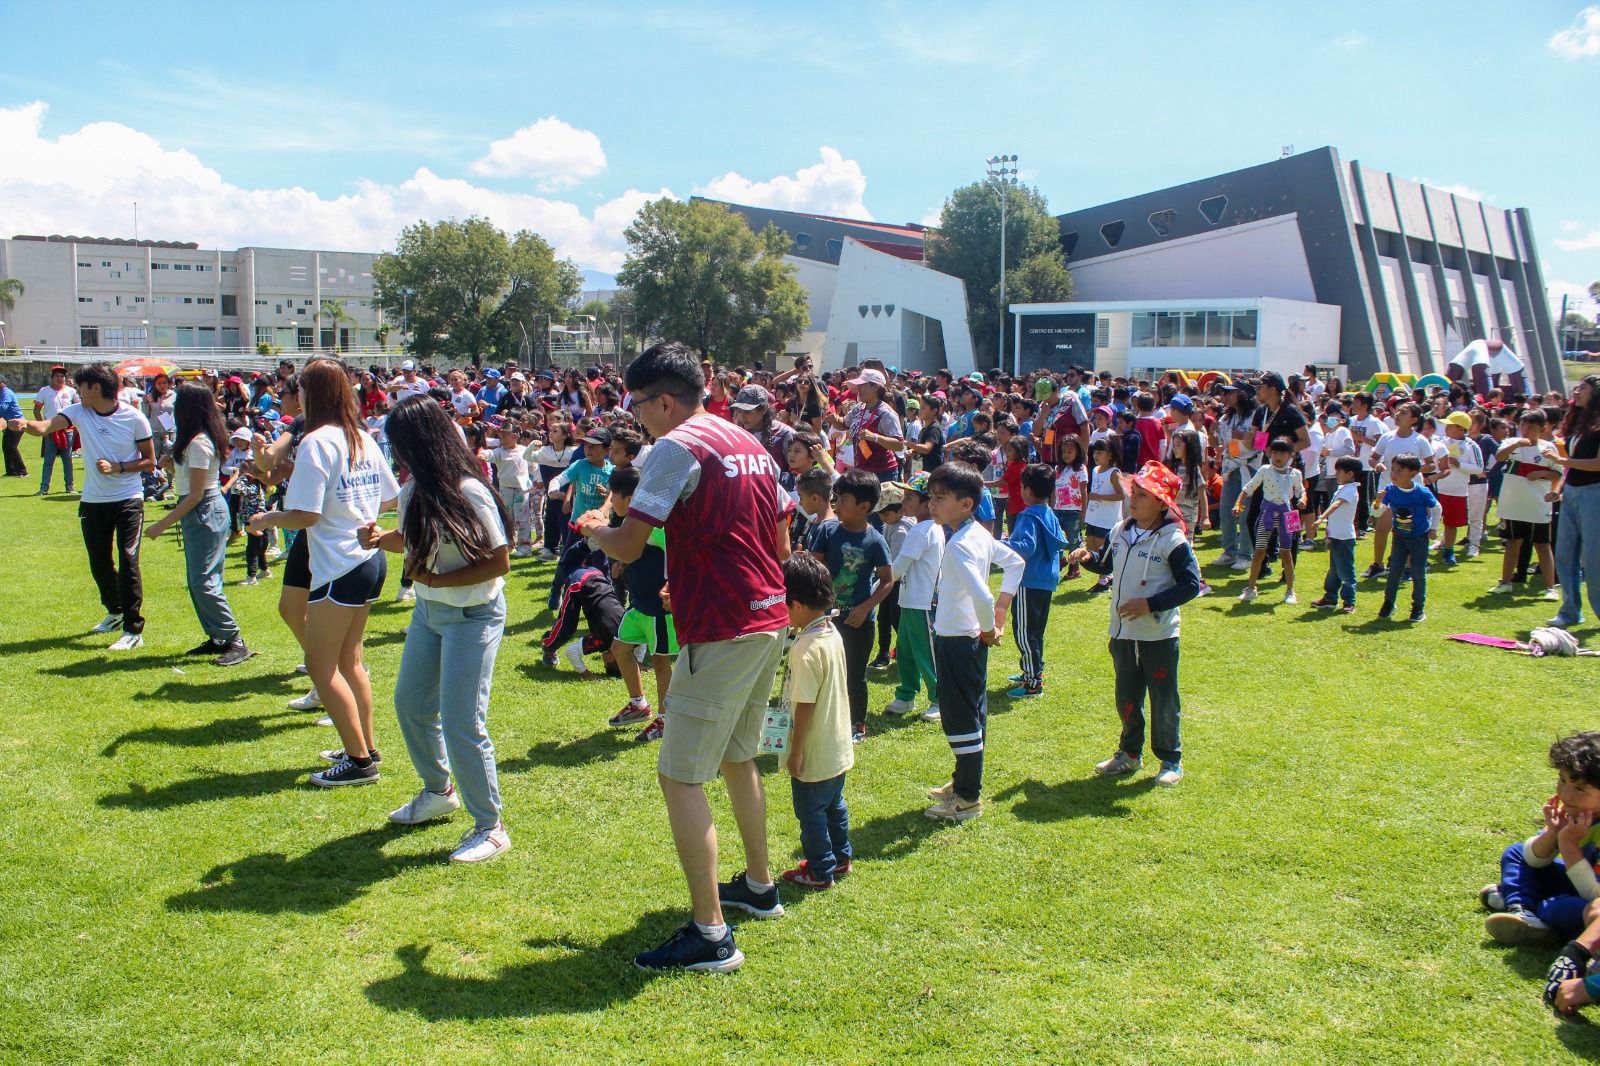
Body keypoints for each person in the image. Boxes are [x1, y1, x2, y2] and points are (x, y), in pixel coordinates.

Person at [575, 341, 793, 975]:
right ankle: (758, 886)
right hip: (767, 614)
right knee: (739, 755)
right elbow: (779, 537)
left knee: (680, 775)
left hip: (722, 624)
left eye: (636, 405)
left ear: (664, 400)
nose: (634, 418)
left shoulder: (676, 446)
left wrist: (593, 528)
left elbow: (632, 541)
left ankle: (711, 935)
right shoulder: (748, 441)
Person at [361, 394, 512, 863]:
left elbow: (498, 560)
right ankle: (438, 789)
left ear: (420, 444)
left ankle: (490, 827)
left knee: (464, 720)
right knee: (410, 704)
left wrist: (436, 579)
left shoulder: (468, 491)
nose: (395, 454)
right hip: (429, 613)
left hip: (473, 615)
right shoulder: (415, 488)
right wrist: (381, 538)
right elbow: (415, 539)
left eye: (399, 444)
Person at [249, 360, 398, 786]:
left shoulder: (316, 441)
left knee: (322, 666)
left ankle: (359, 763)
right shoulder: (362, 438)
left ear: (311, 395)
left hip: (339, 566)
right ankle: (364, 746)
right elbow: (388, 498)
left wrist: (267, 520)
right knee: (351, 662)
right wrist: (356, 511)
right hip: (370, 560)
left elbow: (305, 515)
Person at [1070, 462, 1202, 788]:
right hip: (1123, 632)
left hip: (1157, 634)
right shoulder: (1121, 530)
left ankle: (1171, 758)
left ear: (1161, 503)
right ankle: (1129, 753)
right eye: (1135, 493)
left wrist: (1150, 604)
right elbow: (1107, 565)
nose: (1135, 499)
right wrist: (1087, 558)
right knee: (1126, 693)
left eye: (1143, 495)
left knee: (1163, 696)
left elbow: (1191, 585)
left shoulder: (1172, 539)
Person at [11, 363, 153, 648]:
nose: (77, 391)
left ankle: (133, 630)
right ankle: (114, 611)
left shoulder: (134, 417)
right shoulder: (78, 411)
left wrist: (118, 467)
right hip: (93, 500)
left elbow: (150, 460)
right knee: (100, 563)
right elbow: (45, 427)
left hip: (128, 499)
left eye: (80, 386)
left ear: (96, 387)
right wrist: (25, 425)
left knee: (127, 561)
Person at [922, 462, 1023, 822]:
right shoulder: (977, 533)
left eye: (939, 498)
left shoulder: (961, 544)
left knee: (959, 716)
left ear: (966, 505)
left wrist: (990, 624)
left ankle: (967, 798)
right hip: (965, 640)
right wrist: (1000, 610)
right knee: (973, 711)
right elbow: (1016, 563)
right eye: (931, 497)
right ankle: (963, 781)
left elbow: (981, 595)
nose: (931, 504)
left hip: (957, 641)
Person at [142, 383, 253, 666]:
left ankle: (233, 639)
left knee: (204, 580)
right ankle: (217, 637)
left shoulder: (200, 443)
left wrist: (161, 525)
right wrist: (171, 465)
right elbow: (190, 484)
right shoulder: (195, 441)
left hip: (205, 511)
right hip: (201, 510)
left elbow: (195, 495)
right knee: (198, 581)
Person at [776, 552, 854, 889]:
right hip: (836, 747)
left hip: (813, 751)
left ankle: (820, 869)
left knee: (811, 814)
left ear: (795, 603)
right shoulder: (831, 633)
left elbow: (804, 706)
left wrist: (796, 751)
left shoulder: (804, 649)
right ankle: (841, 857)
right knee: (834, 805)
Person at [1483, 732, 1600, 947]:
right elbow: (1533, 859)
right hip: (1575, 883)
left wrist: (1568, 845)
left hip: (1594, 904)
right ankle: (1523, 912)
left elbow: (1595, 896)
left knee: (1555, 908)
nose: (1565, 794)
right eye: (1562, 780)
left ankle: (1529, 908)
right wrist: (1553, 834)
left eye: (1580, 788)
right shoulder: (1573, 810)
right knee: (1516, 852)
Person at [804, 469, 894, 744]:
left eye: (843, 500)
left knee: (854, 676)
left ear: (864, 507)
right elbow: (815, 568)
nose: (836, 505)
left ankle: (857, 726)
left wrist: (864, 608)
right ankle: (825, 722)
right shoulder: (827, 531)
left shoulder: (875, 540)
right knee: (823, 674)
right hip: (825, 619)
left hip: (858, 622)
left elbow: (887, 581)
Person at [602, 464, 678, 733]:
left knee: (660, 662)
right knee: (620, 648)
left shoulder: (656, 526)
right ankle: (638, 704)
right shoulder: (629, 522)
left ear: (631, 498)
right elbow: (634, 551)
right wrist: (622, 564)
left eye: (614, 495)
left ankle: (665, 718)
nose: (611, 501)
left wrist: (671, 584)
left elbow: (677, 554)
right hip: (639, 604)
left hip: (659, 608)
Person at [883, 472, 943, 720]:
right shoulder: (925, 527)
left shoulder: (922, 531)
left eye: (909, 498)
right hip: (910, 600)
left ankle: (940, 699)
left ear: (926, 503)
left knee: (926, 653)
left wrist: (874, 589)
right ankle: (906, 695)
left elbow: (897, 568)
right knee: (906, 650)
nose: (903, 502)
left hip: (922, 602)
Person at [1003, 464, 1066, 699]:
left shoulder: (1029, 515)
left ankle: (1033, 682)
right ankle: (1032, 670)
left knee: (1024, 631)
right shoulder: (1049, 512)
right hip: (1046, 580)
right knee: (1035, 631)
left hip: (1029, 581)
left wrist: (1001, 544)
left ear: (1028, 491)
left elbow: (1026, 548)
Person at [1492, 409, 1562, 600]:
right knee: (1512, 543)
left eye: (1531, 427)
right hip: (1513, 505)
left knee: (1542, 546)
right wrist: (1516, 443)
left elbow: (1558, 473)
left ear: (1542, 428)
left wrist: (1541, 474)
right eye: (1523, 425)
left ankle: (1550, 588)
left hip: (1538, 505)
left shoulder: (1548, 448)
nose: (1525, 430)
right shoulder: (1510, 443)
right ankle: (1505, 583)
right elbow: (1499, 457)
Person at [1362, 403, 1436, 580]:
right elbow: (1373, 458)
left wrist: (1412, 471)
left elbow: (1432, 464)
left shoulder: (1419, 440)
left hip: (1411, 492)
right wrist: (1377, 464)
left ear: (1413, 420)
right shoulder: (1387, 437)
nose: (1398, 414)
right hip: (1388, 490)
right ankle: (1378, 565)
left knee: (1408, 530)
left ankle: (1408, 567)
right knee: (1381, 528)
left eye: (1404, 412)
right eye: (1398, 411)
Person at [1552, 376, 1600, 629]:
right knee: (1564, 554)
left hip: (1595, 494)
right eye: (1578, 386)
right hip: (1571, 492)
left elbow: (1598, 464)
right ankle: (1570, 612)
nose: (1577, 391)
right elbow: (1571, 466)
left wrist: (1562, 462)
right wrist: (1559, 488)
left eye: (1584, 388)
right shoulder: (1577, 421)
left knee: (1593, 560)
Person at [1233, 440, 1307, 605]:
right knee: (1259, 551)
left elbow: (1301, 490)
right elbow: (1248, 487)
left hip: (1288, 513)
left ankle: (1290, 590)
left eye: (1282, 453)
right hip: (1267, 513)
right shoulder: (1265, 470)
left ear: (1290, 456)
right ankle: (1251, 588)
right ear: (1269, 454)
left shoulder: (1295, 473)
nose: (1278, 456)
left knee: (1287, 552)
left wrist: (1303, 499)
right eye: (1275, 452)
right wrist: (1238, 502)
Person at [1375, 454, 1440, 623]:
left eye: (1399, 470)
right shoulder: (1390, 490)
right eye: (1393, 470)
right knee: (1394, 572)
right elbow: (1377, 512)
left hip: (1419, 538)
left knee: (1418, 574)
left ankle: (1418, 608)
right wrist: (1377, 501)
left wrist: (1433, 528)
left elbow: (1436, 508)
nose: (1394, 474)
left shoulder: (1421, 492)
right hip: (1399, 538)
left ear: (1413, 473)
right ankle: (1389, 604)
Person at [1308, 456, 1363, 613]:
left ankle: (1349, 602)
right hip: (1336, 536)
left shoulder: (1350, 490)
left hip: (1344, 538)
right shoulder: (1343, 488)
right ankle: (1330, 598)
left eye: (1339, 471)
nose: (1336, 474)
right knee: (1334, 570)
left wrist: (1321, 517)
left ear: (1350, 474)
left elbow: (1337, 505)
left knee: (1346, 570)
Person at [1427, 412, 1482, 566]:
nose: (1446, 428)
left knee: (1451, 523)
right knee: (1428, 520)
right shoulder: (1440, 441)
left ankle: (1449, 551)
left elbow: (1479, 468)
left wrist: (1459, 464)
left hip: (1456, 491)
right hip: (1436, 487)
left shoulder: (1471, 446)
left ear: (1460, 428)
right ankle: (1421, 551)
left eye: (1450, 425)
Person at [33, 364, 78, 495]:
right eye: (58, 376)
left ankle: (70, 486)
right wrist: (42, 427)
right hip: (50, 430)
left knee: (67, 459)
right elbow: (36, 410)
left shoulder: (71, 391)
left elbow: (79, 409)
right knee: (48, 460)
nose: (60, 378)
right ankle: (44, 488)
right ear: (52, 378)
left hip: (67, 430)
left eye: (63, 376)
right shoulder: (44, 391)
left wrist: (76, 427)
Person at [1053, 434, 1087, 581]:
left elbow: (1084, 491)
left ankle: (1074, 568)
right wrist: (1051, 508)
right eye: (1063, 451)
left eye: (1070, 452)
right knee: (1057, 537)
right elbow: (1054, 490)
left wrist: (1084, 513)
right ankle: (1060, 560)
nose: (1066, 455)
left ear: (1077, 452)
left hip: (1073, 510)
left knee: (1073, 540)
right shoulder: (1058, 468)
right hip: (1058, 509)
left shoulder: (1080, 469)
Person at [0, 374, 26, 477]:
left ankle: (22, 471)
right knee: (6, 446)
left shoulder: (6, 393)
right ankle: (11, 471)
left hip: (17, 422)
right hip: (10, 423)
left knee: (11, 446)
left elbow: (3, 407)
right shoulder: (2, 393)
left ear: (2, 383)